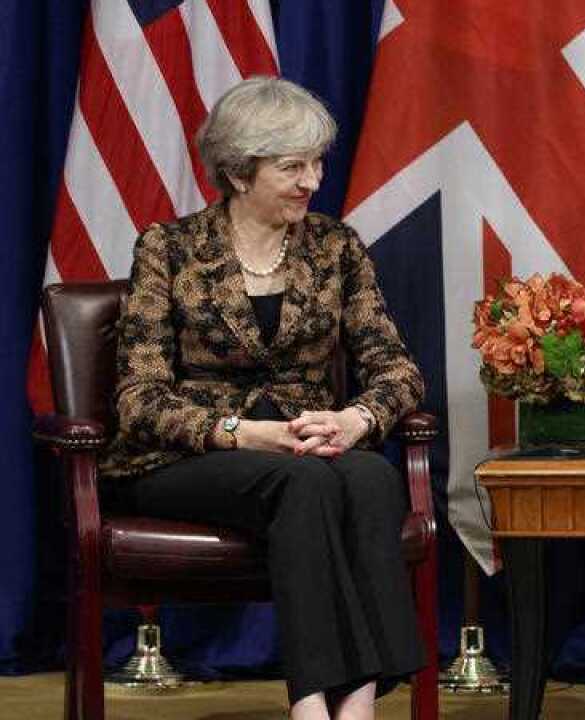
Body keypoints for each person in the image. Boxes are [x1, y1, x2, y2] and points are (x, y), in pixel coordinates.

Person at [101, 76, 427, 720]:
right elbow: (138, 397)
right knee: (305, 484)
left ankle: (356, 701)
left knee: (369, 478)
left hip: (307, 446)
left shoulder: (336, 247)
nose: (312, 179)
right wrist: (245, 433)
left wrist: (354, 419)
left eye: (316, 162)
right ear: (239, 172)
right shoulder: (170, 248)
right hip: (184, 459)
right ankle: (309, 703)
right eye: (292, 166)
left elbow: (397, 369)